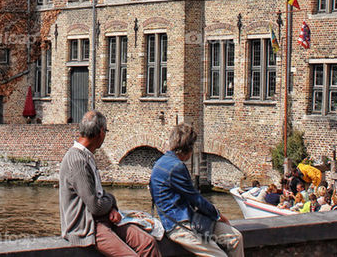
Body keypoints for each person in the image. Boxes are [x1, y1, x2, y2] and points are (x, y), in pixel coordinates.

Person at [59, 110, 160, 257]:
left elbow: (98, 196)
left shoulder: (86, 156)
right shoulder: (77, 160)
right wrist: (111, 200)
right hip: (87, 226)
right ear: (101, 132)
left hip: (102, 219)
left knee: (148, 243)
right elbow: (95, 206)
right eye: (106, 131)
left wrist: (111, 207)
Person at [149, 123, 243, 257]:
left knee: (236, 238)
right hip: (179, 226)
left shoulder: (161, 162)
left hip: (191, 220)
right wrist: (218, 215)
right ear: (189, 148)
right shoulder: (176, 167)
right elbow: (196, 200)